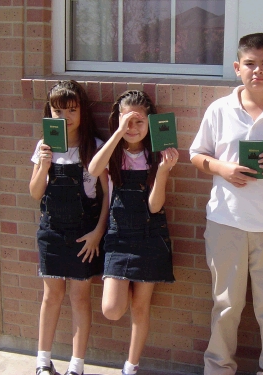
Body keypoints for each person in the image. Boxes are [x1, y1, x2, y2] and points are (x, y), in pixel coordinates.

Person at [189, 33, 263, 375]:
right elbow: (196, 154)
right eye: (251, 64)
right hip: (227, 222)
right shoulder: (219, 110)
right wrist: (223, 169)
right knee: (226, 305)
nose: (258, 70)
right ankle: (218, 368)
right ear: (237, 68)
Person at [88, 90, 177, 375]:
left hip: (150, 235)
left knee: (141, 307)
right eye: (128, 121)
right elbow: (93, 170)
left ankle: (131, 366)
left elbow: (154, 207)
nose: (133, 129)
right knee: (112, 309)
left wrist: (163, 171)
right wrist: (118, 133)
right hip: (119, 236)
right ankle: (123, 278)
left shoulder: (156, 155)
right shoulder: (112, 153)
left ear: (151, 123)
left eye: (140, 122)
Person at [30, 80, 109, 375]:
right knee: (51, 295)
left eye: (72, 110)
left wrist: (98, 231)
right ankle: (42, 362)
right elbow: (36, 193)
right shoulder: (44, 145)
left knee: (79, 297)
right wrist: (44, 165)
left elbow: (107, 195)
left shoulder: (95, 148)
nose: (65, 117)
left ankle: (76, 366)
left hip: (84, 233)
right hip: (51, 231)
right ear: (49, 112)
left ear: (82, 111)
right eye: (58, 110)